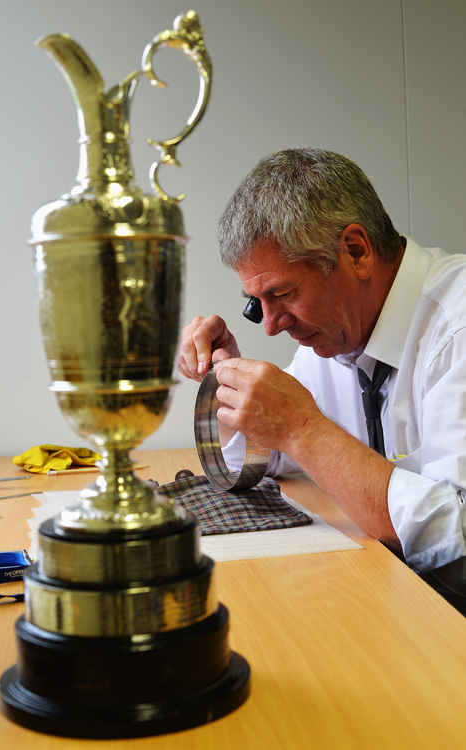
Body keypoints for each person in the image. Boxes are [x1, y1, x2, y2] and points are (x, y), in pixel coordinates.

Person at [178, 147, 466, 614]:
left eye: (283, 294)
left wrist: (302, 428)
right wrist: (230, 387)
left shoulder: (457, 328)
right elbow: (264, 461)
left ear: (355, 251)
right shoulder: (339, 333)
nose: (270, 326)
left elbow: (459, 540)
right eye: (257, 303)